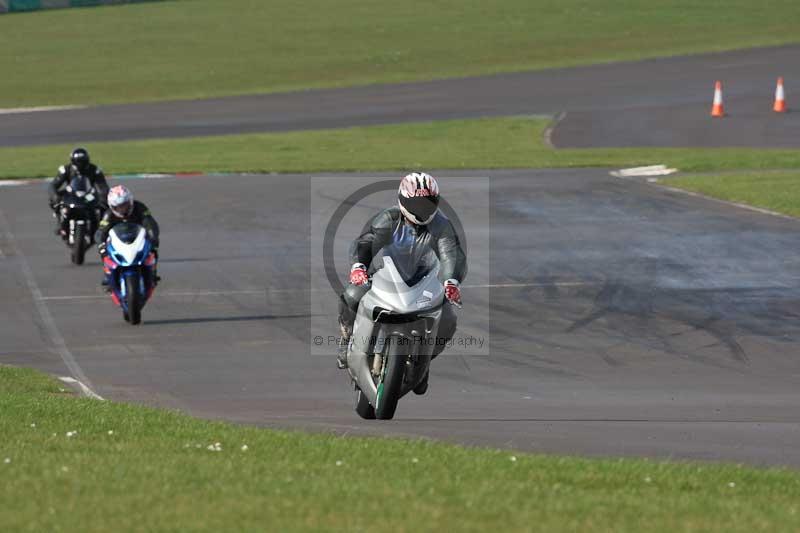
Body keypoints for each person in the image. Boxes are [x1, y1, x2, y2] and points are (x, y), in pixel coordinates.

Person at [337, 172, 466, 394]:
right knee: (352, 295)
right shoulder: (389, 219)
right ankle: (346, 337)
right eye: (416, 203)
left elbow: (451, 255)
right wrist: (359, 267)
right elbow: (366, 242)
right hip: (387, 275)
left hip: (426, 282)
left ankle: (423, 362)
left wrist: (451, 281)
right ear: (403, 200)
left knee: (448, 319)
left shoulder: (441, 226)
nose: (422, 208)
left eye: (427, 202)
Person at [97, 185, 161, 288]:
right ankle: (107, 273)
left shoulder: (140, 208)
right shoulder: (108, 215)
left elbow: (150, 223)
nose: (122, 209)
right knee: (104, 251)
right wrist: (101, 246)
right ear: (112, 206)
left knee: (153, 246)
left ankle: (152, 271)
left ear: (130, 201)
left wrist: (153, 237)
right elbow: (100, 233)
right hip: (118, 240)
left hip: (138, 237)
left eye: (124, 205)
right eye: (118, 207)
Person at [47, 148, 109, 234]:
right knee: (54, 201)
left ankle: (100, 226)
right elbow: (53, 185)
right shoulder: (66, 169)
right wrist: (55, 196)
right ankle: (60, 222)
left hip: (89, 195)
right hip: (71, 193)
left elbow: (103, 186)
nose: (81, 166)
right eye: (78, 163)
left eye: (83, 163)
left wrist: (103, 197)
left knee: (103, 205)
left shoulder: (95, 170)